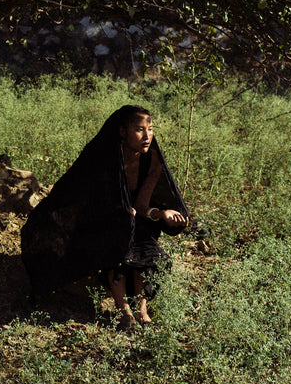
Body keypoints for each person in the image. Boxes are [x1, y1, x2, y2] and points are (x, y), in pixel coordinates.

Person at [20, 104, 189, 330]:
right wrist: (120, 213)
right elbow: (87, 200)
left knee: (144, 243)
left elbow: (141, 205)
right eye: (139, 129)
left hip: (132, 219)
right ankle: (123, 312)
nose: (147, 136)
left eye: (150, 129)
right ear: (122, 132)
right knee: (120, 233)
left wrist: (161, 213)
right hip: (97, 220)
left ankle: (142, 311)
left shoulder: (152, 160)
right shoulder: (105, 157)